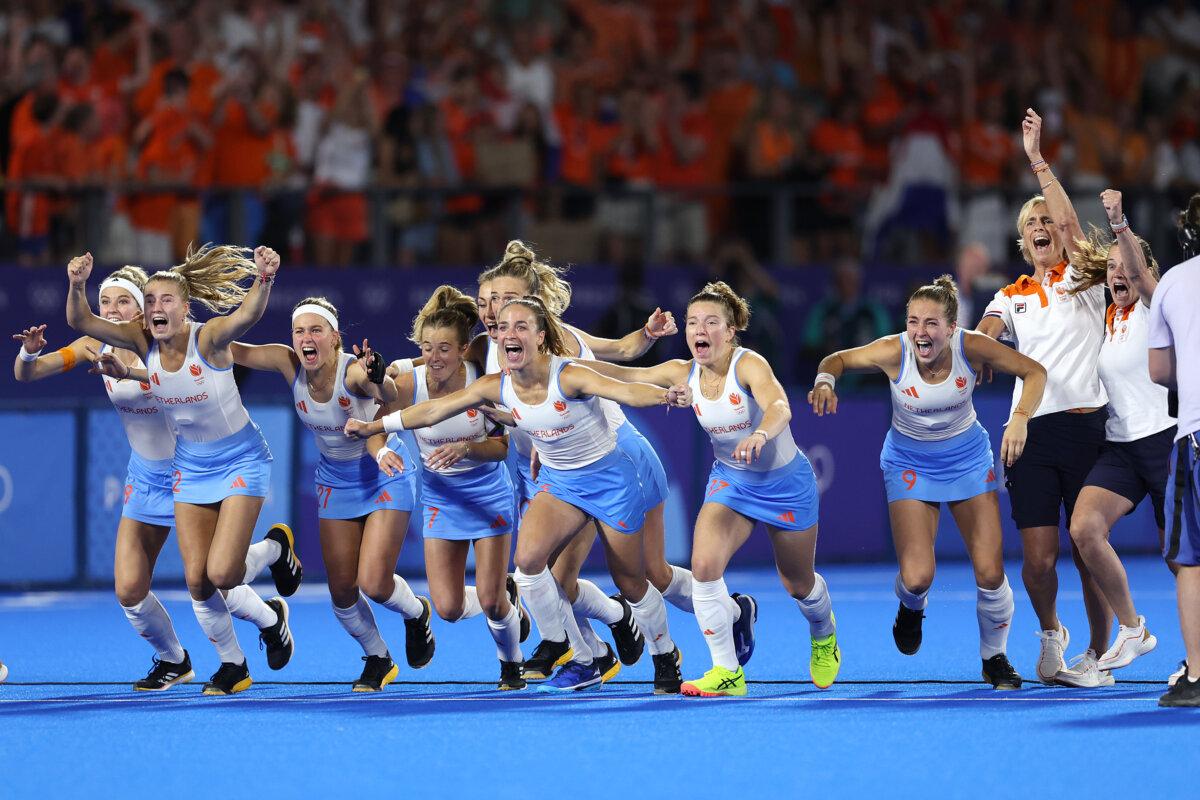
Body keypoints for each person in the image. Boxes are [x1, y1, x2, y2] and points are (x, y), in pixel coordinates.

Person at [348, 296, 689, 693]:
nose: (509, 334)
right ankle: (562, 646)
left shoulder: (569, 375)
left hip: (610, 480)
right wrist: (375, 429)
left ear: (541, 338)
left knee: (632, 580)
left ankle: (664, 653)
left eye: (521, 327)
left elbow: (624, 390)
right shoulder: (496, 384)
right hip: (561, 485)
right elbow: (430, 413)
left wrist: (664, 395)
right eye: (504, 327)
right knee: (527, 564)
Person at [14, 264, 299, 692]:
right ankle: (174, 660)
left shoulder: (165, 341)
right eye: (105, 301)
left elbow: (175, 374)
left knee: (213, 575)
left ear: (141, 311)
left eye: (123, 301)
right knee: (130, 589)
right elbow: (31, 372)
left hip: (195, 466)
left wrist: (127, 372)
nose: (112, 310)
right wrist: (33, 349)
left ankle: (255, 619)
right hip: (148, 478)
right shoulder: (94, 345)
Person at [574, 282, 840, 697]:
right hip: (732, 481)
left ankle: (824, 633)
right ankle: (727, 672)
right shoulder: (683, 372)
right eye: (693, 322)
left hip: (784, 483)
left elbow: (779, 405)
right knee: (703, 568)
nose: (700, 329)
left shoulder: (748, 364)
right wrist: (563, 363)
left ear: (731, 330)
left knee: (798, 582)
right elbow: (624, 374)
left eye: (711, 322)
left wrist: (762, 435)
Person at [810, 276, 1046, 689]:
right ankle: (911, 606)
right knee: (917, 577)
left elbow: (1034, 372)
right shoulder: (893, 350)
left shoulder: (970, 347)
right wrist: (825, 382)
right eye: (914, 321)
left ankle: (994, 657)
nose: (921, 332)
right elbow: (836, 359)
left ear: (952, 328)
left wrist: (1022, 416)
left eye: (932, 323)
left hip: (968, 460)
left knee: (990, 573)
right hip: (909, 462)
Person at [227, 296, 436, 692]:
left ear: (335, 338)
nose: (307, 338)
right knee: (341, 593)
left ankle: (415, 613)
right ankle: (378, 657)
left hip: (384, 471)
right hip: (335, 481)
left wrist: (377, 376)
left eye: (316, 330)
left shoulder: (353, 372)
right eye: (300, 331)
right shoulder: (288, 362)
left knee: (374, 583)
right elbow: (227, 346)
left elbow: (387, 392)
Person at [977, 109, 1112, 688]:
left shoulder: (1085, 279)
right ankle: (1052, 635)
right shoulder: (1012, 295)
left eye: (1048, 221)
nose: (1041, 226)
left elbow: (1071, 223)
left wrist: (1037, 160)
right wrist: (976, 356)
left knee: (1087, 550)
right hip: (1028, 433)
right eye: (1031, 223)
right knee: (1038, 560)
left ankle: (1101, 653)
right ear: (1022, 240)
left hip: (1086, 427)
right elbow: (984, 333)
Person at [373, 286, 528, 690]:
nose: (435, 358)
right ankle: (506, 597)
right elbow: (376, 419)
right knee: (448, 608)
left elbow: (499, 449)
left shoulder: (481, 379)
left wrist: (466, 449)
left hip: (487, 493)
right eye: (427, 348)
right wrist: (379, 452)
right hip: (441, 497)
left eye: (444, 348)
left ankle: (511, 664)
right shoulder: (409, 384)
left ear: (463, 350)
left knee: (493, 603)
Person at [1067, 189, 1174, 674]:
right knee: (1084, 529)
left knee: (1180, 560)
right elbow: (1069, 239)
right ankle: (1133, 630)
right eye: (1109, 267)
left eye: (1124, 267)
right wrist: (1038, 163)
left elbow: (1139, 273)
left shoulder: (1159, 307)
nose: (1116, 274)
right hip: (1121, 446)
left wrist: (1119, 224)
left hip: (1169, 442)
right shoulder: (1107, 315)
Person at [1150, 192, 1200, 707]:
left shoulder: (1173, 282)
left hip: (1197, 435)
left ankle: (1198, 675)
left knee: (1192, 561)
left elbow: (1159, 372)